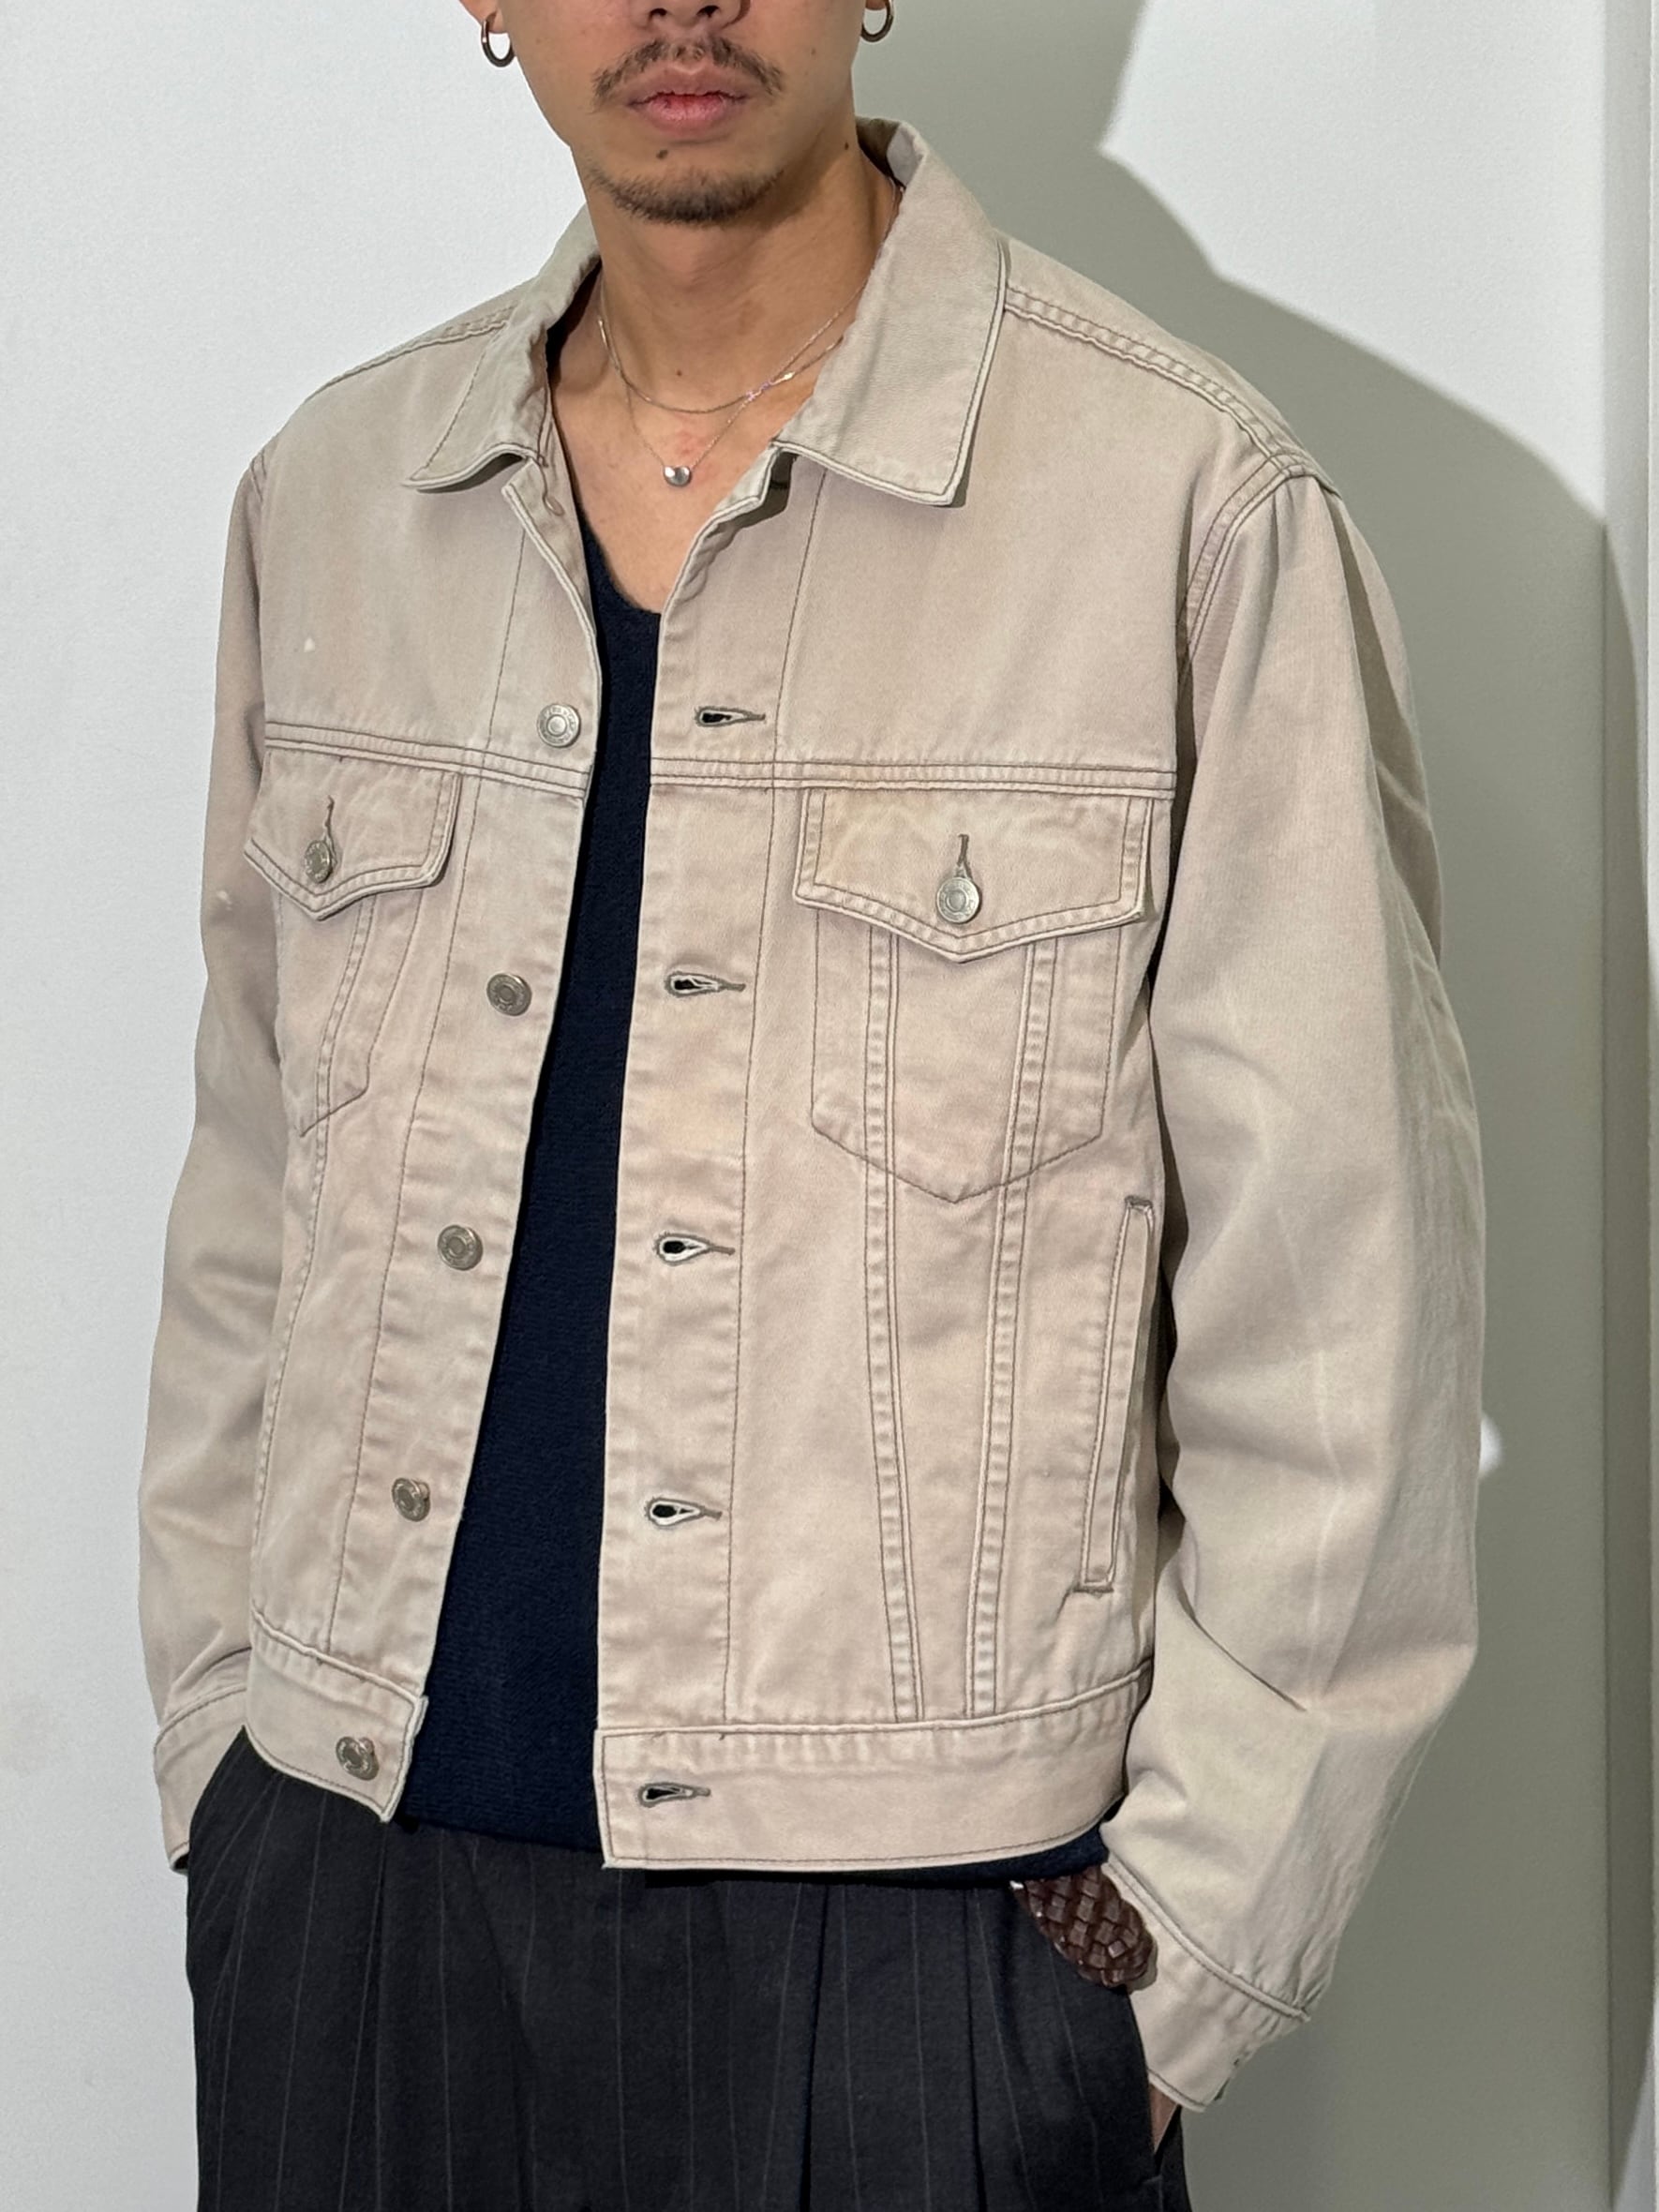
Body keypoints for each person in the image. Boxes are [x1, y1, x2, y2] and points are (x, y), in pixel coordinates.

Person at [136, 4, 1487, 2206]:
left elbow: (1351, 1323)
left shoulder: (1181, 508)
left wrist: (1153, 1978)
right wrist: (228, 1767)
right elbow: (253, 1200)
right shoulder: (342, 499)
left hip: (927, 1972)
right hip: (357, 1911)